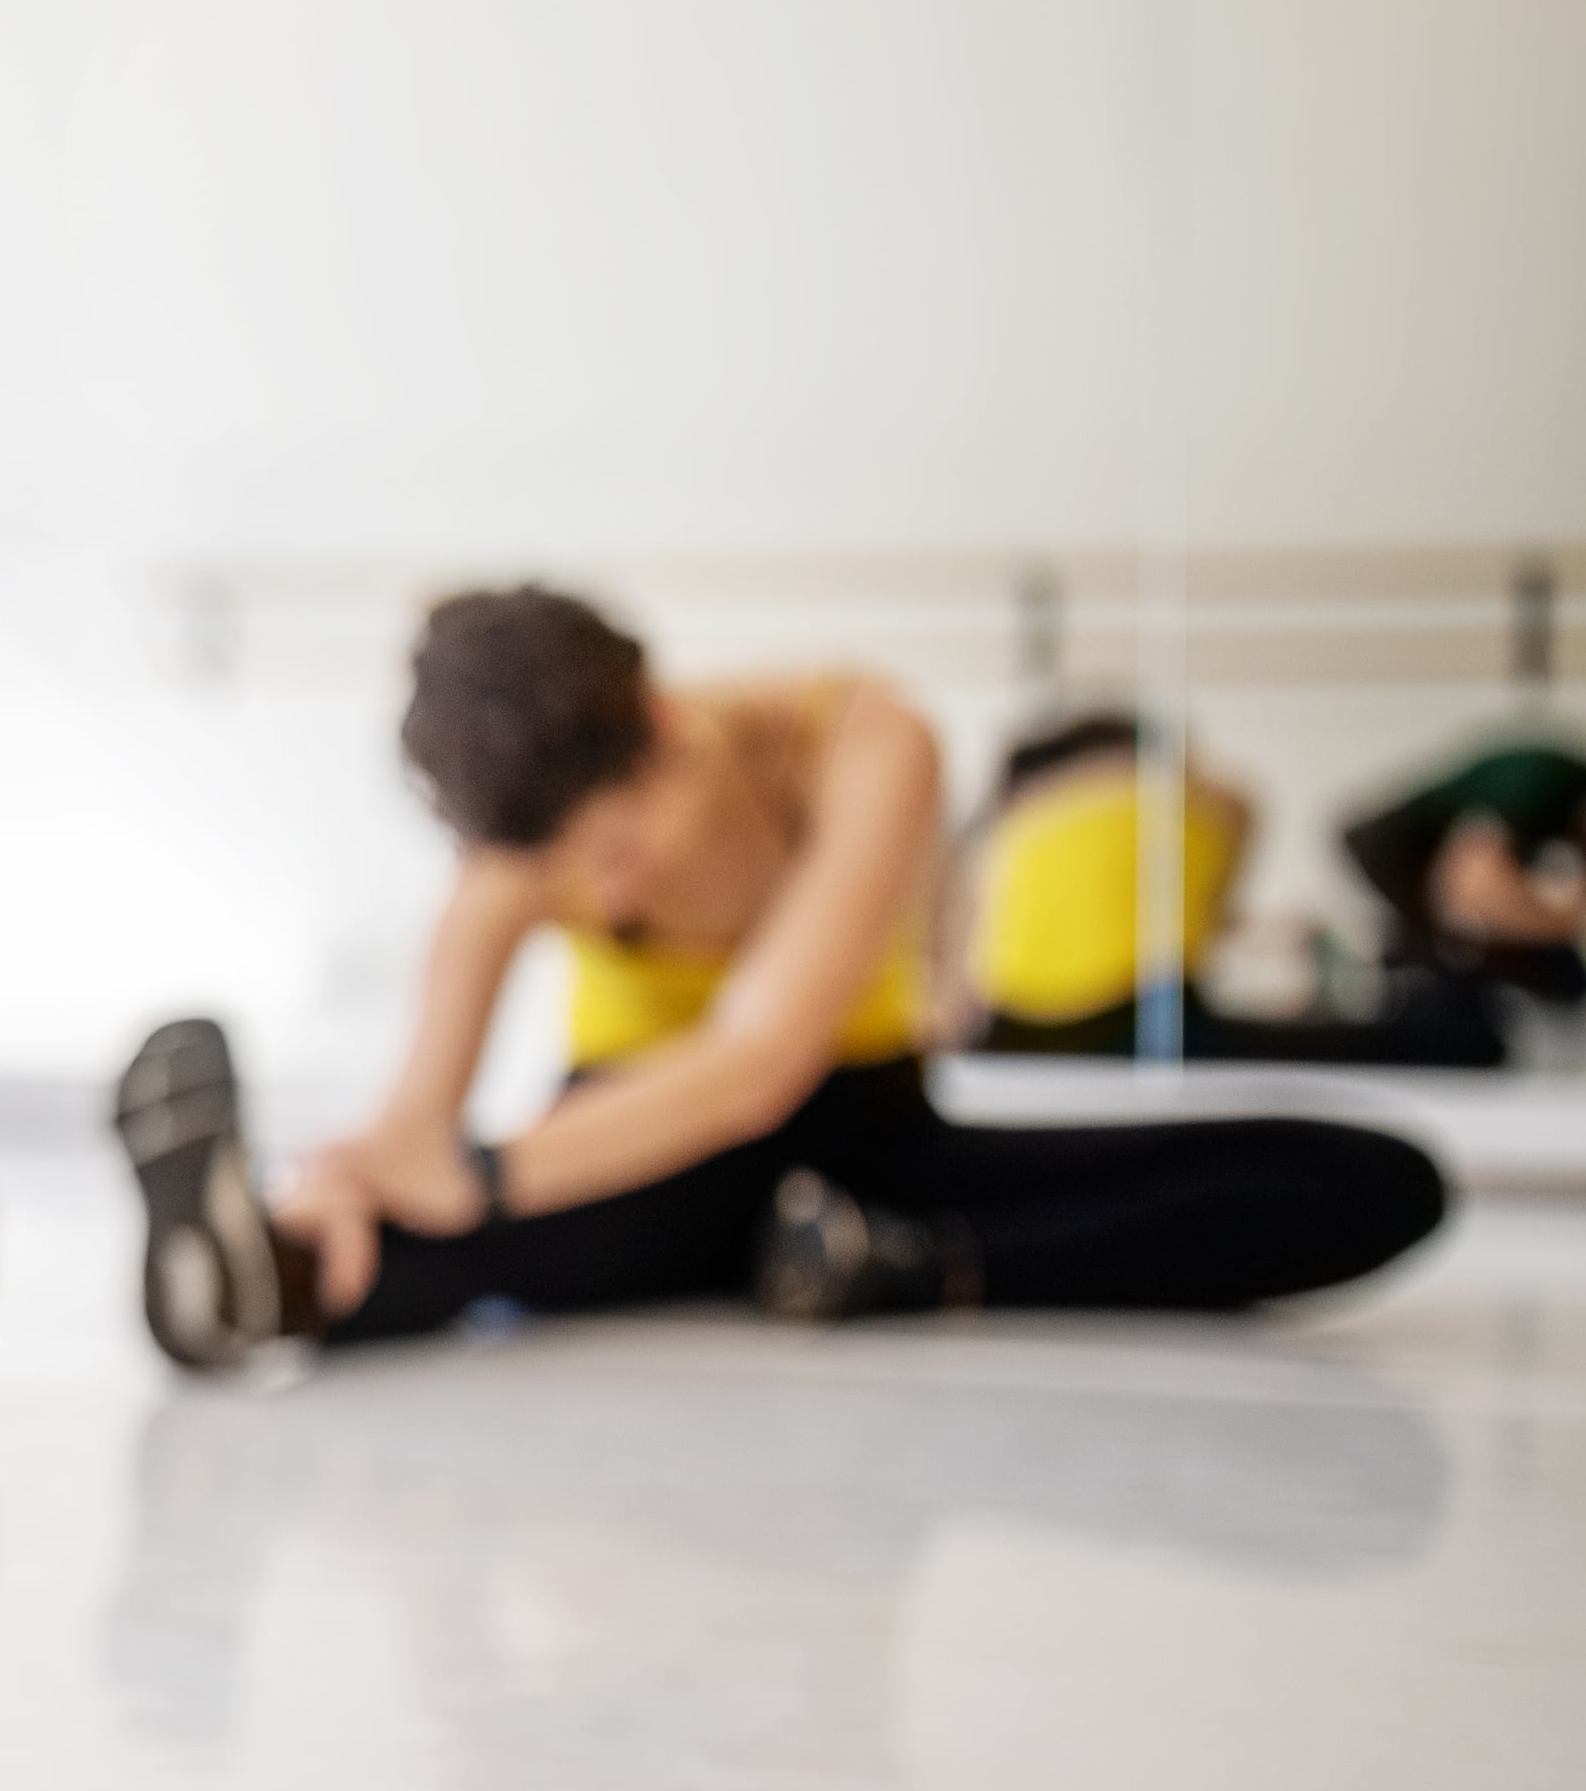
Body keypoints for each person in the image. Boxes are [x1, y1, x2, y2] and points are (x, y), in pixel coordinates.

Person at [116, 585, 1450, 1367]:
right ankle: (264, 1269)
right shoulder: (517, 833)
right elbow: (420, 1130)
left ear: (665, 727)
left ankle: (909, 1266)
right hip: (641, 1158)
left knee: (1367, 1178)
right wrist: (347, 1182)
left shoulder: (864, 742)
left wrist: (484, 1178)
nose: (610, 900)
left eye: (623, 855)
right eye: (580, 882)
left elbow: (759, 1064)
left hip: (860, 1141)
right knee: (458, 1239)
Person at [954, 709, 1502, 1067]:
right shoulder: (1117, 809)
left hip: (1019, 1038)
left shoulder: (1001, 836)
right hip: (1124, 1031)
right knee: (1426, 1042)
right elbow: (1238, 803)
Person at [1342, 732, 1586, 1012]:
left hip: (1436, 871)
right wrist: (1566, 925)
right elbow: (1479, 879)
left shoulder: (1562, 812)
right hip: (1390, 848)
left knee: (1563, 982)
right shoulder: (1540, 784)